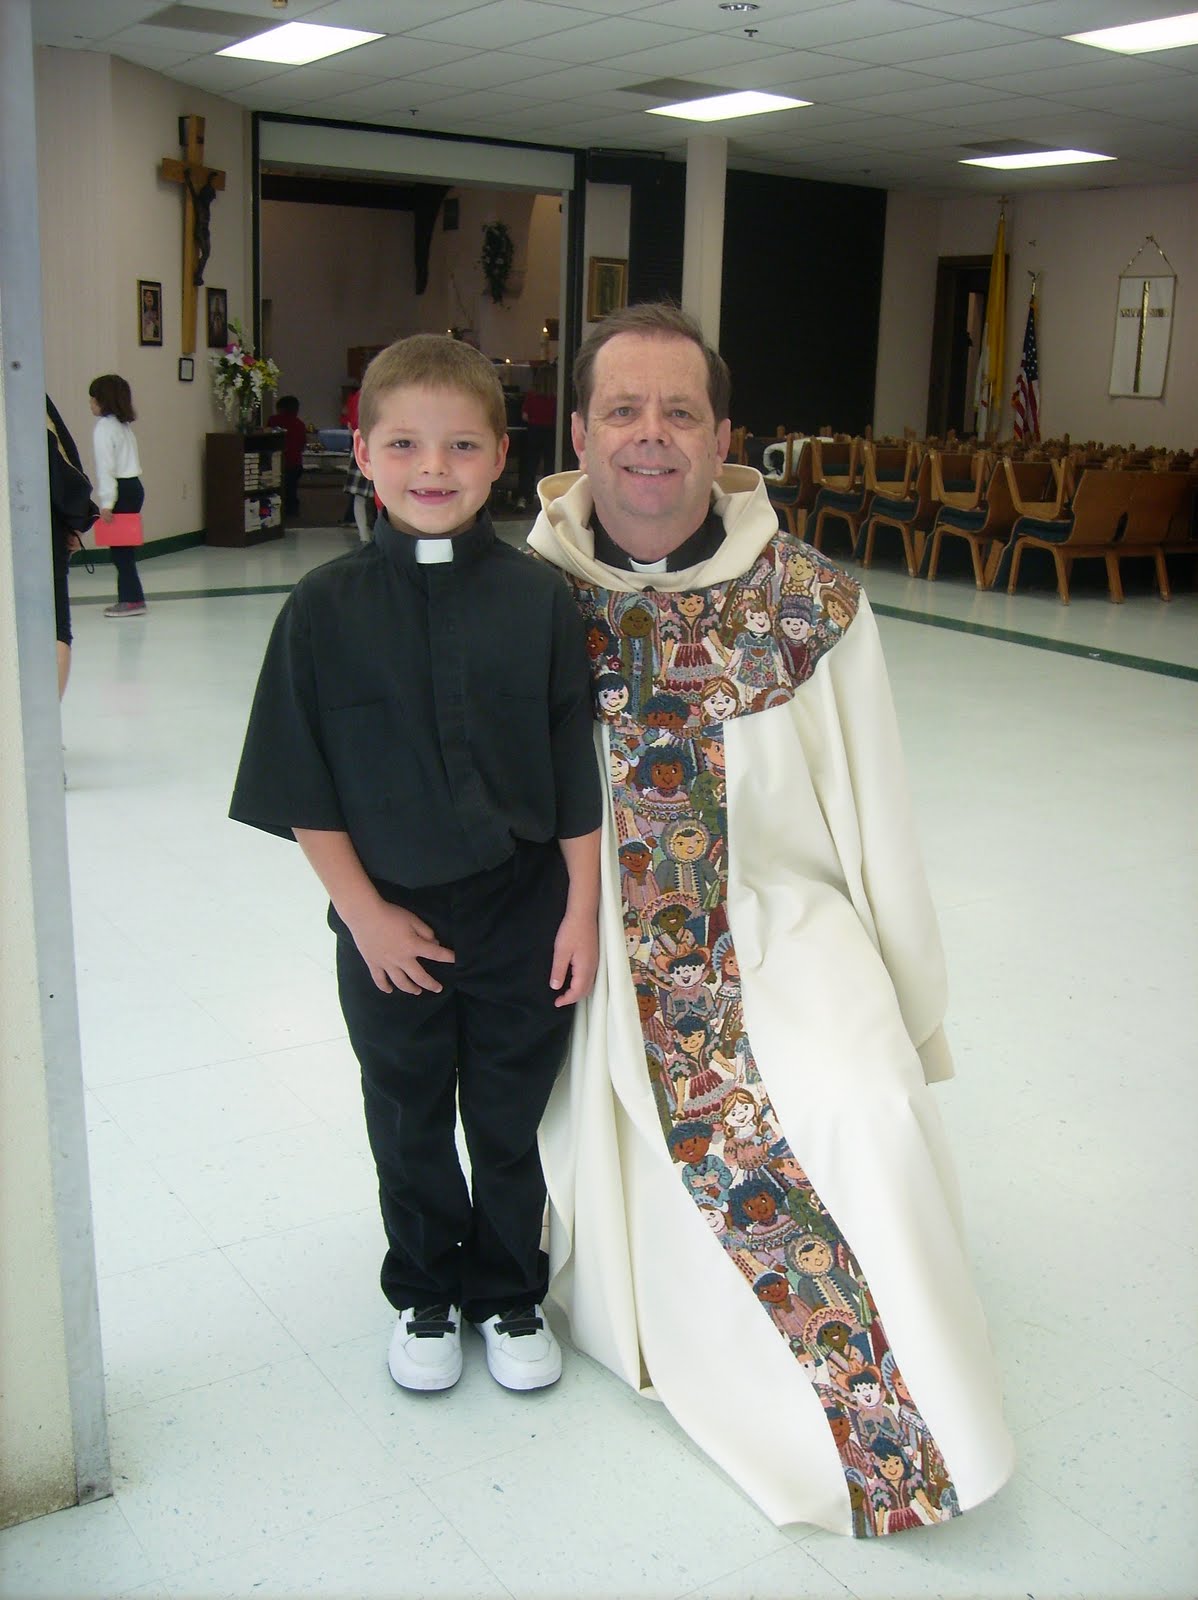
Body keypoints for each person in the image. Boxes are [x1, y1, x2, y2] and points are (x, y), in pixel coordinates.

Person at [526, 302, 1014, 1536]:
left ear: (723, 434)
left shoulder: (808, 602)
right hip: (593, 942)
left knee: (867, 1103)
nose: (650, 437)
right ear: (577, 432)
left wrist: (909, 1008)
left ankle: (914, 1426)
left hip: (782, 922)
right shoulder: (521, 597)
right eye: (622, 410)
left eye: (678, 411)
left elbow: (876, 814)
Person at [230, 334, 602, 1396]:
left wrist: (577, 911)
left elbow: (573, 768)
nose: (431, 467)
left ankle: (511, 1288)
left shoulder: (538, 603)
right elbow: (303, 788)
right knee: (405, 1109)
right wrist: (365, 917)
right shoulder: (320, 611)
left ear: (499, 459)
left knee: (506, 1111)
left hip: (522, 909)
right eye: (403, 443)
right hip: (387, 918)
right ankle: (428, 1290)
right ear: (362, 452)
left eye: (459, 444)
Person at [46, 395, 97, 697]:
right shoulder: (26, 395)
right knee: (56, 629)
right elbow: (65, 469)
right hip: (38, 532)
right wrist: (78, 520)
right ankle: (46, 729)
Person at [88, 374, 146, 618]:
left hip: (120, 491)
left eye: (92, 399)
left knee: (120, 551)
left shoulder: (104, 428)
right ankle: (132, 597)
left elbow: (106, 469)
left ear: (102, 400)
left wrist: (107, 503)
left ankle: (131, 599)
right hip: (134, 487)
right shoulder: (123, 425)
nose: (90, 404)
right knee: (125, 549)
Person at [515, 366, 557, 511]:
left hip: (534, 431)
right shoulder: (557, 397)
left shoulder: (532, 395)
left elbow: (524, 416)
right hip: (552, 432)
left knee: (529, 465)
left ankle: (523, 498)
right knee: (551, 466)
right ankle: (550, 499)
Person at [340, 385, 376, 541]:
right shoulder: (384, 393)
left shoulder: (357, 396)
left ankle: (364, 535)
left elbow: (349, 424)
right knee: (385, 496)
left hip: (361, 446)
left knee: (359, 495)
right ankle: (378, 534)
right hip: (378, 446)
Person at [266, 394, 307, 519]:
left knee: (277, 489)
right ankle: (292, 512)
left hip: (278, 461)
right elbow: (302, 444)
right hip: (295, 463)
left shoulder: (274, 421)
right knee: (291, 490)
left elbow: (268, 440)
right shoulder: (299, 424)